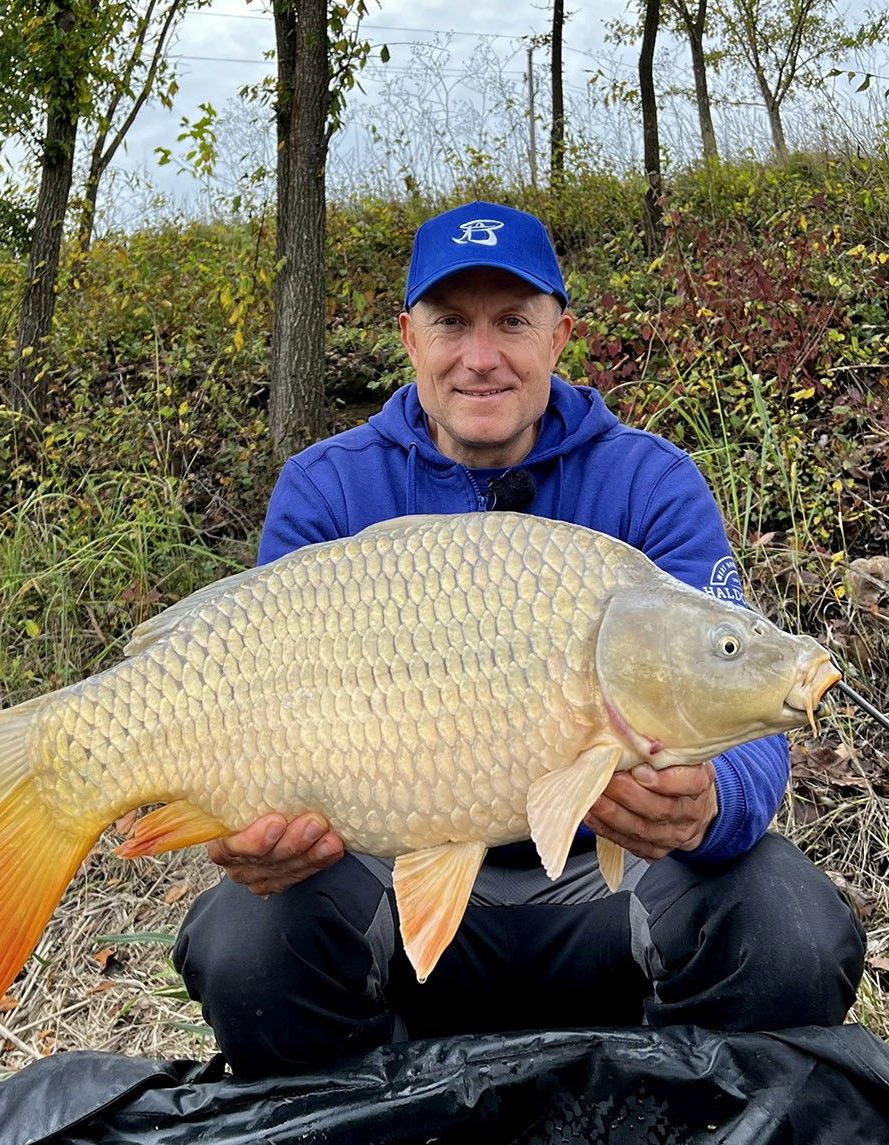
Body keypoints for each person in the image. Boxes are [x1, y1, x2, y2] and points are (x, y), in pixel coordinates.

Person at [174, 200, 866, 1077]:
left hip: (607, 900)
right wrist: (243, 830)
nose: (481, 356)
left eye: (512, 321)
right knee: (246, 941)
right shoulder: (326, 492)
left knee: (790, 929)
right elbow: (252, 723)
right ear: (409, 337)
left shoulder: (649, 484)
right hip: (389, 883)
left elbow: (753, 727)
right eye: (451, 323)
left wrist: (710, 801)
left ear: (560, 334)